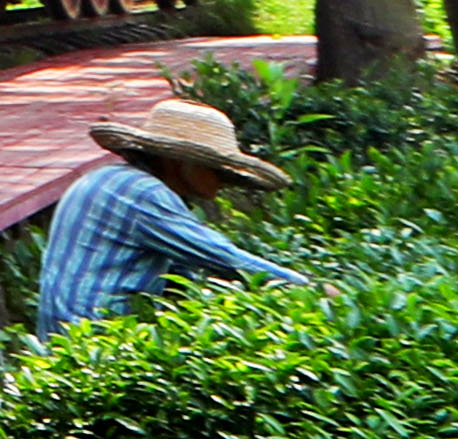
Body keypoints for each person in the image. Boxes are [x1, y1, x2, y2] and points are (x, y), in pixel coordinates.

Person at [34, 95, 296, 332]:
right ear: (180, 163)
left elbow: (182, 275)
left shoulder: (111, 177)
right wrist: (306, 288)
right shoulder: (143, 194)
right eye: (216, 170)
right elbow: (222, 256)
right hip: (90, 343)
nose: (222, 182)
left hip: (64, 340)